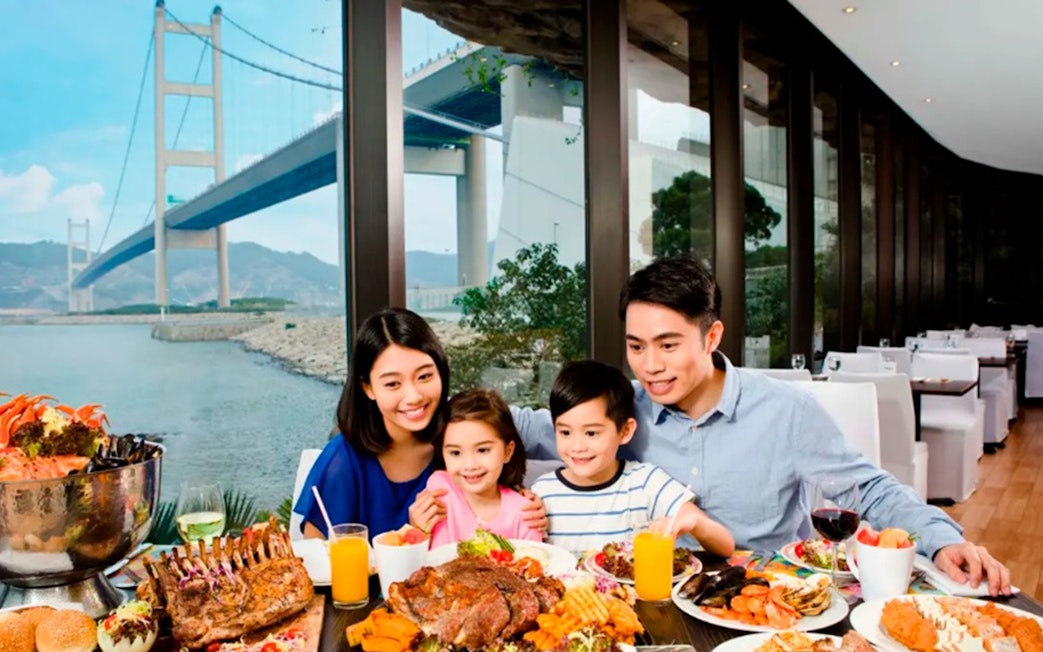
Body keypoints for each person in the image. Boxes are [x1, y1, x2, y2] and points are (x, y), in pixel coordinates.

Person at [513, 257, 1012, 596]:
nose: (649, 366)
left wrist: (943, 540)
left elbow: (870, 490)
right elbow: (522, 426)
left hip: (766, 599)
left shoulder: (786, 412)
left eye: (668, 345)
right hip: (658, 597)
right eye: (635, 346)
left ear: (712, 336)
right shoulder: (620, 413)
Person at [531, 360, 734, 557]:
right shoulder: (542, 492)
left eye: (591, 433)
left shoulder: (645, 482)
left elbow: (725, 546)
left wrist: (695, 523)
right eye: (565, 432)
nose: (577, 447)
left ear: (625, 431)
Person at [292, 308, 450, 540]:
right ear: (368, 387)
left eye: (424, 376)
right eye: (393, 384)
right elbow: (318, 553)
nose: (414, 396)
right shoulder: (342, 461)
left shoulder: (461, 441)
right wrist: (410, 535)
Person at [413, 389, 543, 547]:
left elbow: (534, 559)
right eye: (455, 453)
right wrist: (417, 530)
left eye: (482, 450)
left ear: (508, 452)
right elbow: (432, 553)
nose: (470, 465)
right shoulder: (440, 488)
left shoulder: (526, 513)